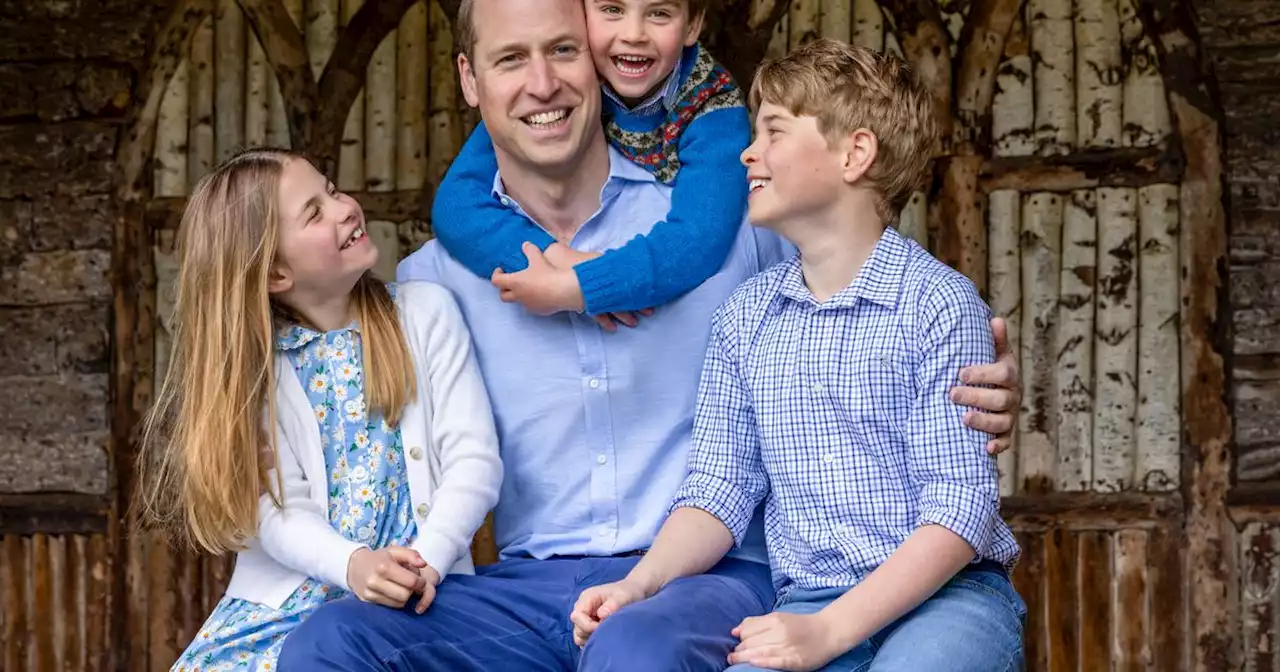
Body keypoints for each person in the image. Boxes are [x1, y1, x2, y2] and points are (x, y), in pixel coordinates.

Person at [276, 1, 1023, 669]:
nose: (542, 84)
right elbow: (317, 372)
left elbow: (859, 287)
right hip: (530, 588)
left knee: (635, 645)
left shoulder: (725, 233)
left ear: (600, 61)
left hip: (712, 578)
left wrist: (981, 374)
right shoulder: (434, 282)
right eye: (511, 59)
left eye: (564, 52)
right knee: (329, 642)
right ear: (470, 79)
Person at [570, 40, 1025, 671]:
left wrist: (829, 633)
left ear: (854, 154)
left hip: (948, 599)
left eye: (774, 131)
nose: (747, 152)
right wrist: (637, 585)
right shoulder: (746, 317)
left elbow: (961, 507)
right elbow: (719, 489)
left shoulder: (937, 305)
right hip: (807, 599)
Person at [134, 149, 503, 671]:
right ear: (276, 274)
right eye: (314, 212)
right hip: (286, 610)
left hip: (421, 595)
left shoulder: (425, 314)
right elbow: (279, 510)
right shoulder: (255, 373)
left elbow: (474, 461)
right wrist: (352, 565)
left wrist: (429, 562)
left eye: (331, 190)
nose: (345, 207)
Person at [430, 0, 748, 327]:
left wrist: (586, 285)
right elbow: (455, 205)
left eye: (659, 13)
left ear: (692, 26)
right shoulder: (558, 92)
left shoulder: (713, 107)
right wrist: (556, 257)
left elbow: (699, 240)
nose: (633, 34)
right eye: (612, 9)